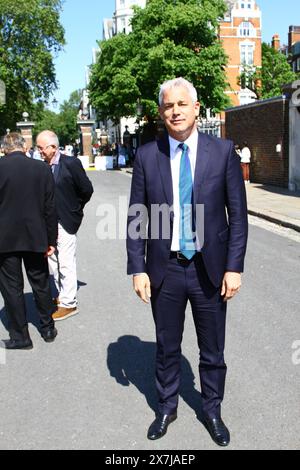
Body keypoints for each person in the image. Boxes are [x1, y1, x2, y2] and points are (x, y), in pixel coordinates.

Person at [126, 78, 248, 446]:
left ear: (196, 108)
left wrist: (234, 266)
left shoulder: (222, 152)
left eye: (182, 104)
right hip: (165, 268)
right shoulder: (148, 156)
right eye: (168, 105)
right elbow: (137, 216)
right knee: (167, 345)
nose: (175, 111)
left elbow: (238, 217)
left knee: (213, 348)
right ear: (161, 112)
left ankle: (212, 408)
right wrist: (138, 267)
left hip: (209, 269)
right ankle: (166, 406)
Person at [0, 132, 58, 349]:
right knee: (41, 283)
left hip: (5, 239)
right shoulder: (41, 169)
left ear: (5, 148)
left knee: (11, 288)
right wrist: (51, 239)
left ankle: (21, 336)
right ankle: (48, 328)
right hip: (36, 236)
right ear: (24, 147)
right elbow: (50, 208)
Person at [36, 130, 94, 321]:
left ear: (53, 147)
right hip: (47, 224)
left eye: (41, 148)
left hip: (65, 221)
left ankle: (69, 304)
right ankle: (61, 295)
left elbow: (86, 190)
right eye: (38, 148)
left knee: (66, 263)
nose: (39, 152)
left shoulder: (70, 163)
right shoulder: (42, 166)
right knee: (52, 261)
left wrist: (75, 209)